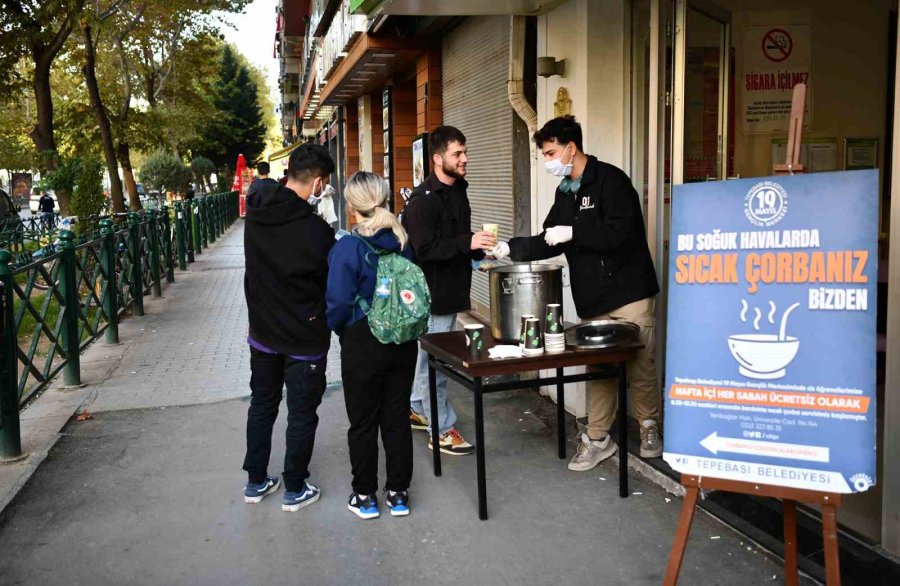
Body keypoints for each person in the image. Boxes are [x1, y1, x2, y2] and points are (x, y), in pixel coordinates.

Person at [492, 115, 662, 470]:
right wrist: (511, 248)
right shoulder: (564, 192)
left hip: (630, 292)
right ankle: (599, 438)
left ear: (571, 148)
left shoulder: (611, 181)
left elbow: (622, 235)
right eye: (544, 154)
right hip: (595, 299)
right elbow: (548, 238)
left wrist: (575, 232)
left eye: (551, 152)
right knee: (600, 369)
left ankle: (649, 427)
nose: (548, 161)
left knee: (641, 364)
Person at [242, 143, 336, 511]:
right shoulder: (316, 232)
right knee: (301, 410)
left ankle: (255, 481)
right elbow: (328, 284)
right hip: (304, 336)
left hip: (262, 332)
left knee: (262, 403)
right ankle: (294, 488)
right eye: (325, 183)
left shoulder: (257, 209)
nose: (325, 189)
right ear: (316, 183)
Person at [326, 171, 417, 519]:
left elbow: (336, 301)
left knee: (362, 421)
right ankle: (398, 493)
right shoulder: (402, 240)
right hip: (402, 340)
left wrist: (342, 332)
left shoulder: (347, 246)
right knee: (395, 415)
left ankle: (364, 496)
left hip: (362, 340)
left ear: (351, 207)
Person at [403, 126, 497, 455]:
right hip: (432, 295)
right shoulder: (421, 201)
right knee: (436, 362)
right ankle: (441, 428)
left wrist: (477, 250)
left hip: (452, 291)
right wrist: (466, 242)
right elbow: (425, 248)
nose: (465, 159)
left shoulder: (459, 190)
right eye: (458, 154)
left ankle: (416, 407)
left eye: (465, 152)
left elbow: (455, 240)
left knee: (426, 358)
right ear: (437, 158)